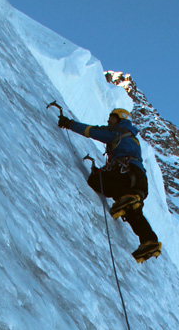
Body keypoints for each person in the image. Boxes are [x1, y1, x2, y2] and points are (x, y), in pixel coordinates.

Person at [57, 107, 161, 262]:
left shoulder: (118, 131)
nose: (108, 121)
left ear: (119, 119)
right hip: (139, 179)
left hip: (125, 172)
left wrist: (69, 123)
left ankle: (127, 197)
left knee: (96, 180)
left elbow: (92, 131)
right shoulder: (132, 138)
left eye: (112, 117)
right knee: (132, 209)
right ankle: (149, 240)